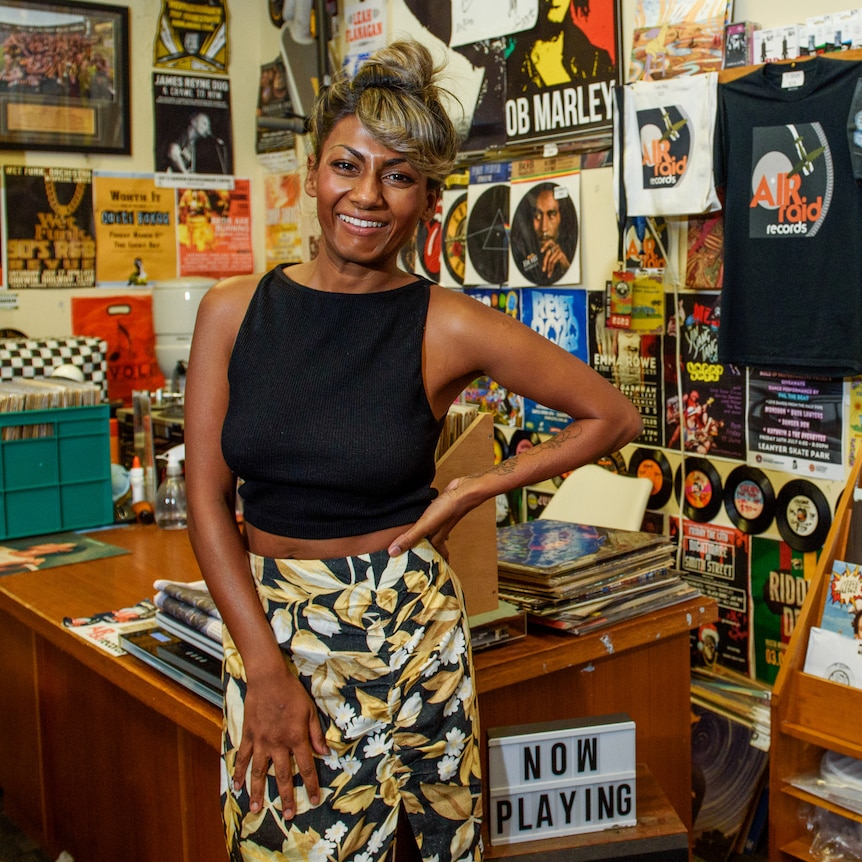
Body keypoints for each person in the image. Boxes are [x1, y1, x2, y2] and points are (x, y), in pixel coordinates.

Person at [184, 39, 641, 862]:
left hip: (408, 627)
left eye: (397, 175)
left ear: (427, 199)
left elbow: (608, 415)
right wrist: (265, 667)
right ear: (314, 171)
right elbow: (208, 499)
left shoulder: (447, 323)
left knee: (435, 847)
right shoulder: (233, 310)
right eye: (346, 166)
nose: (366, 195)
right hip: (275, 627)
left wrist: (474, 490)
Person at [510, 182, 576, 285]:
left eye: (552, 215)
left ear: (561, 218)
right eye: (537, 216)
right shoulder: (519, 251)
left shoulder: (571, 249)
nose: (544, 227)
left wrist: (566, 267)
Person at [163, 110, 227, 174]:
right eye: (204, 123)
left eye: (208, 126)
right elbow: (173, 152)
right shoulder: (182, 134)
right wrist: (185, 173)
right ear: (193, 122)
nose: (207, 128)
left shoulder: (193, 143)